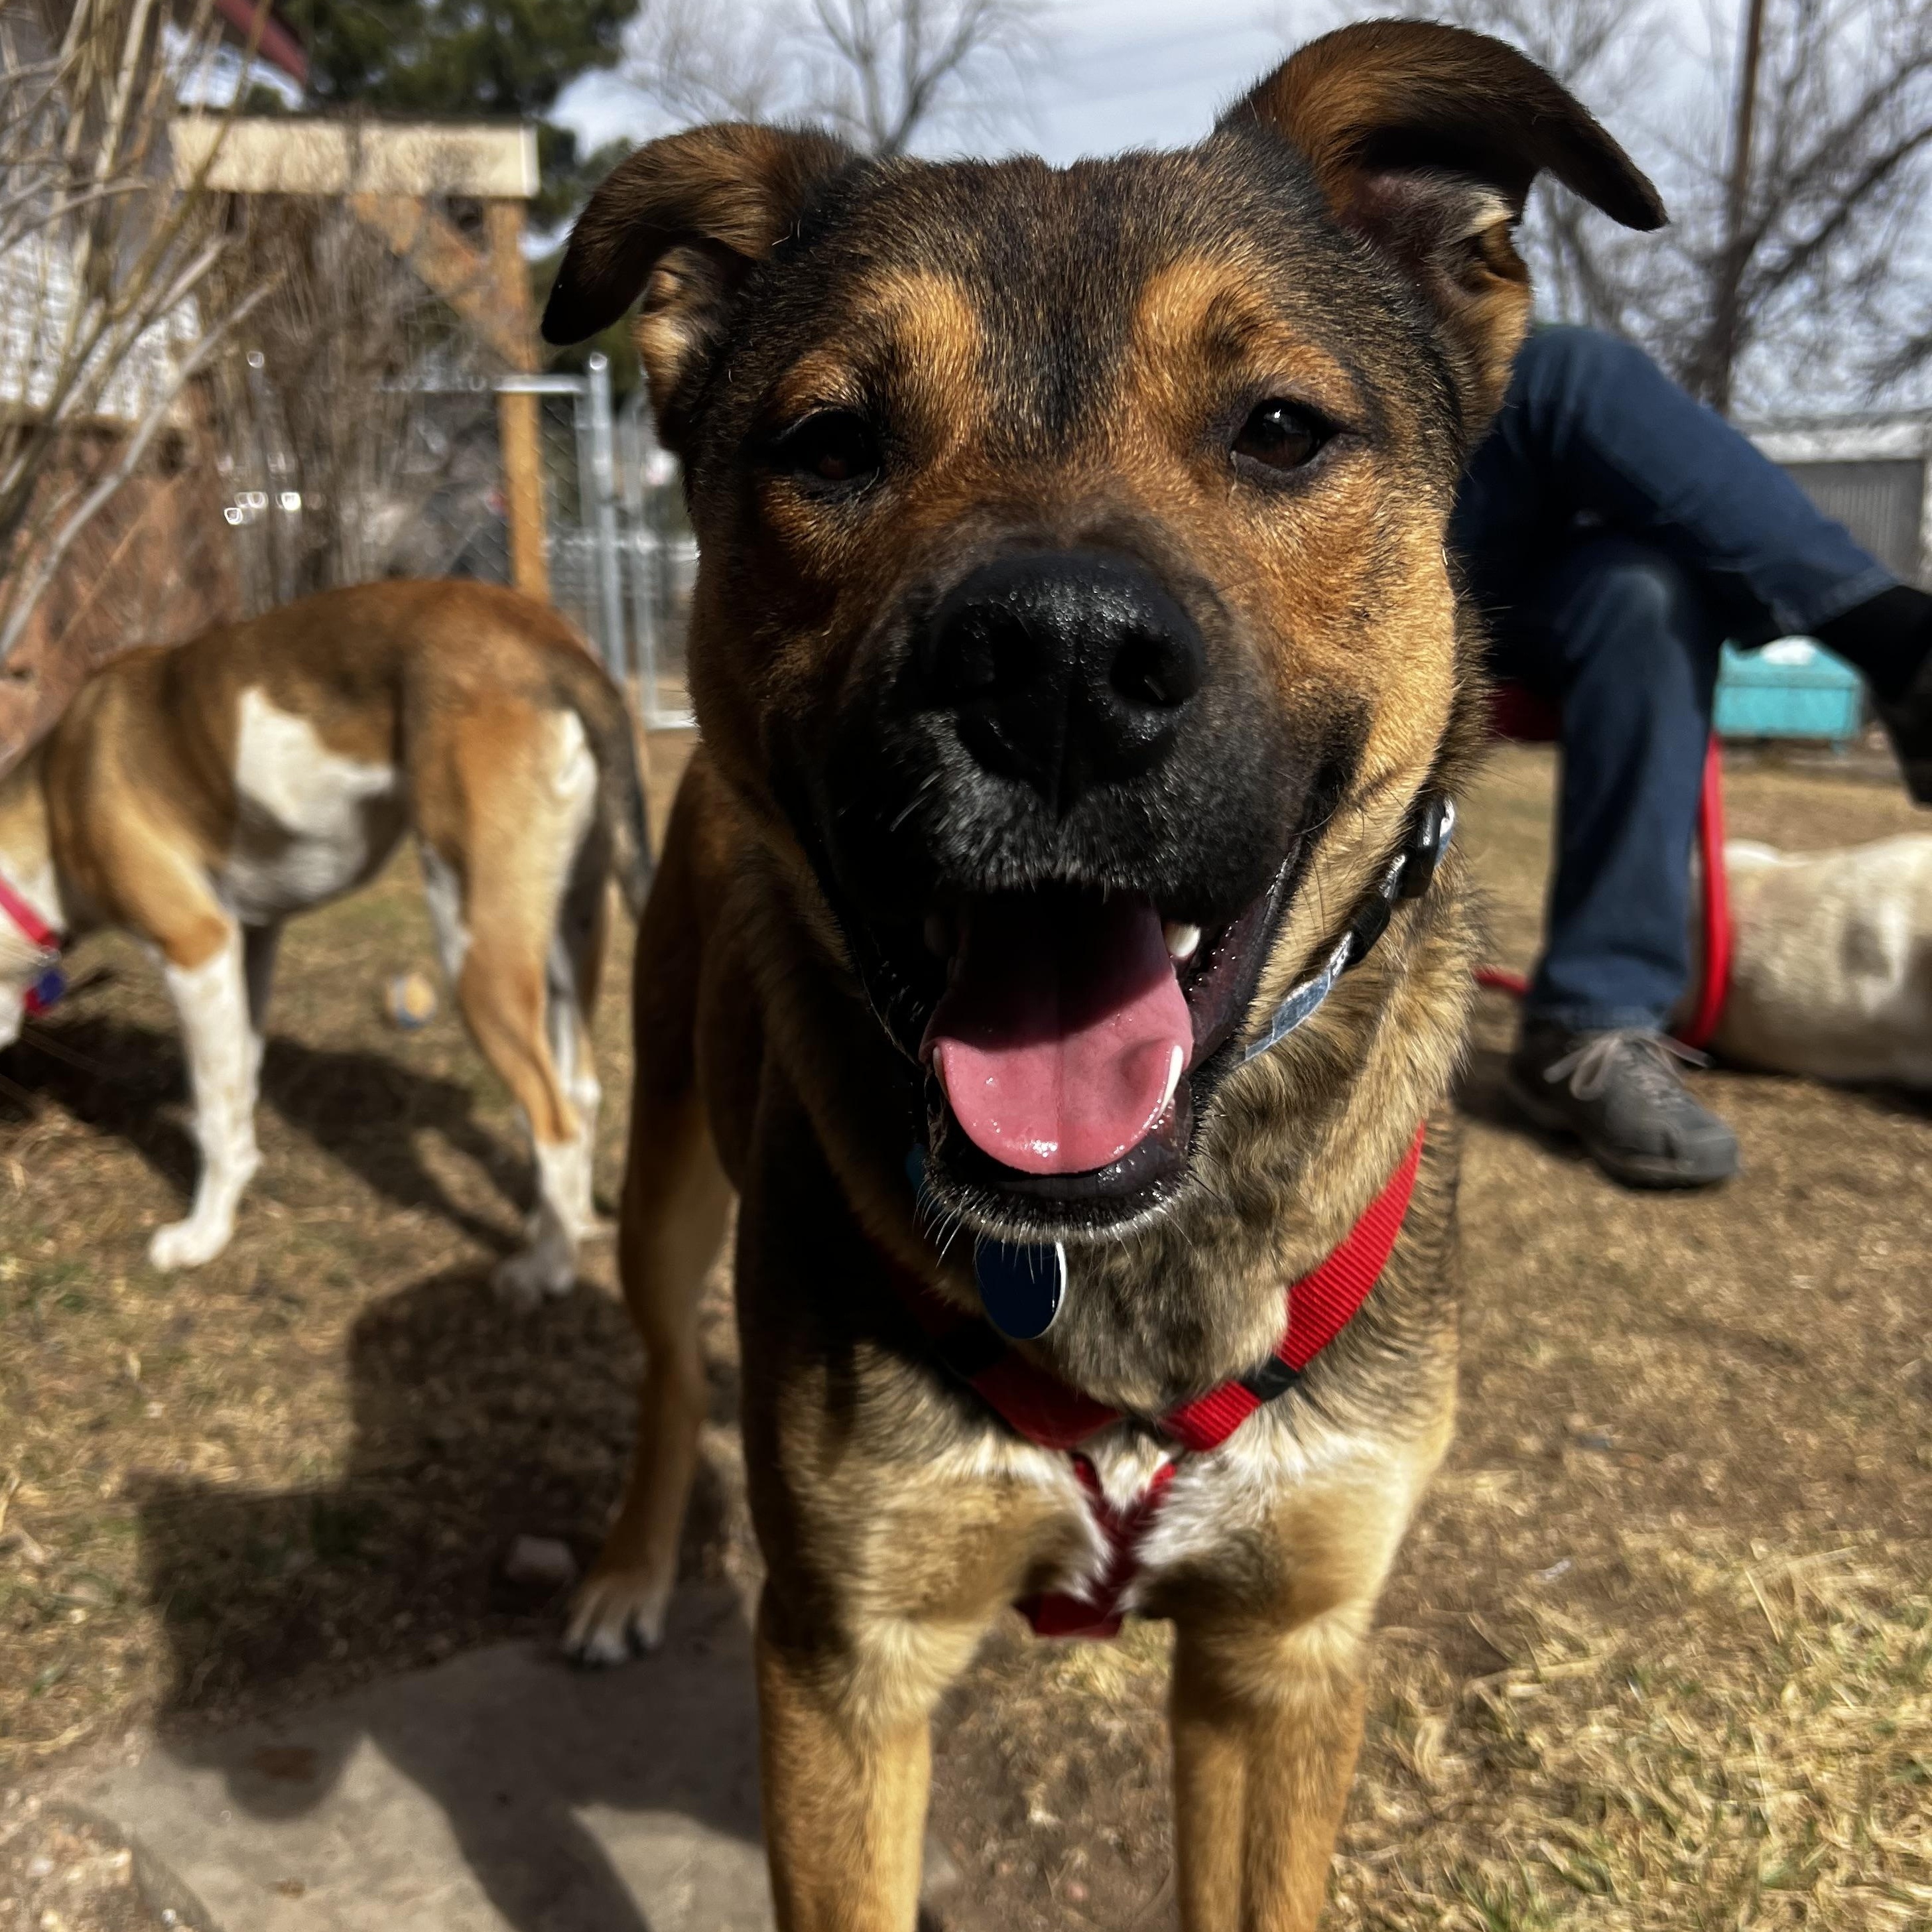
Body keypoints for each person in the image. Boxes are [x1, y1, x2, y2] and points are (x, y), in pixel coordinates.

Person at [1451, 326, 1932, 1188]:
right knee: (1552, 371)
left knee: (1644, 595)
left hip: (1475, 566)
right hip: (1339, 531)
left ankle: (1587, 1022)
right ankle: (1899, 645)